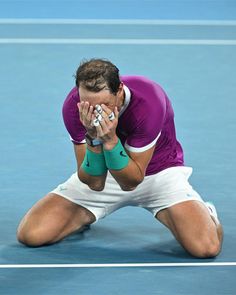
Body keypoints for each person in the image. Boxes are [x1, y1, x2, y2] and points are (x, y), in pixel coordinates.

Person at [17, 58, 223, 258]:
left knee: (206, 248)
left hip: (158, 174)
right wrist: (93, 140)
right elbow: (94, 182)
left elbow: (131, 182)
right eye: (87, 103)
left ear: (119, 91)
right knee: (31, 235)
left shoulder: (149, 101)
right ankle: (81, 216)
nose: (96, 112)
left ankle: (207, 213)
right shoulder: (75, 108)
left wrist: (110, 141)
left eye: (104, 104)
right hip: (104, 172)